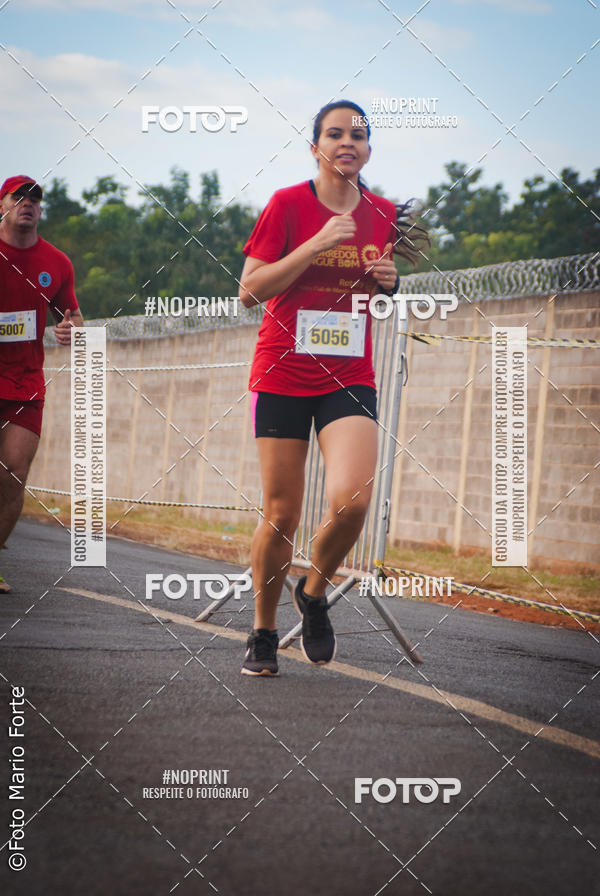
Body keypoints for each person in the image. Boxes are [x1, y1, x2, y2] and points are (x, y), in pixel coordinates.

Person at [238, 101, 423, 676]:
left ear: (368, 149)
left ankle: (313, 592)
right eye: (335, 133)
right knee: (282, 513)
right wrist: (314, 245)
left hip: (347, 375)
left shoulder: (383, 213)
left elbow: (376, 291)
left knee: (353, 500)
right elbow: (249, 290)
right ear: (315, 145)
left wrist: (391, 283)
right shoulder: (288, 205)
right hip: (284, 372)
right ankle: (263, 631)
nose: (348, 142)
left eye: (358, 135)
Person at [0, 175, 83, 593]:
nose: (28, 204)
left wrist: (69, 330)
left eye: (35, 198)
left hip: (24, 383)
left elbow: (72, 317)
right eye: (20, 197)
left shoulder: (57, 263)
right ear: (3, 205)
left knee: (14, 472)